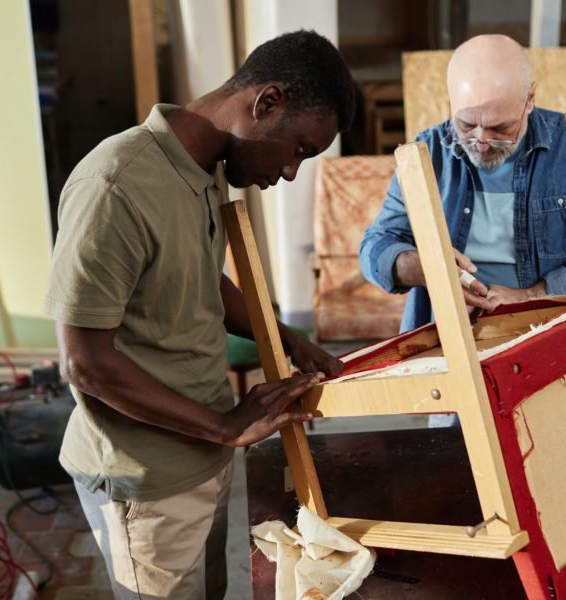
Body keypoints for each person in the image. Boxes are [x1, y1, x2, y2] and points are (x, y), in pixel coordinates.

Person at [42, 30, 354, 599]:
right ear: (267, 102)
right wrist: (225, 426)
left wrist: (281, 338)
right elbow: (84, 362)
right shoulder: (116, 183)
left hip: (204, 453)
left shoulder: (200, 168)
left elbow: (196, 275)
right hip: (147, 482)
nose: (290, 172)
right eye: (299, 149)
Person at [359, 34, 566, 333]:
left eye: (500, 128)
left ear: (530, 100)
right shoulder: (426, 155)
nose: (481, 143)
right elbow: (375, 247)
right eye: (466, 125)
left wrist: (532, 297)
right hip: (449, 333)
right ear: (451, 102)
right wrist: (422, 266)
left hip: (551, 329)